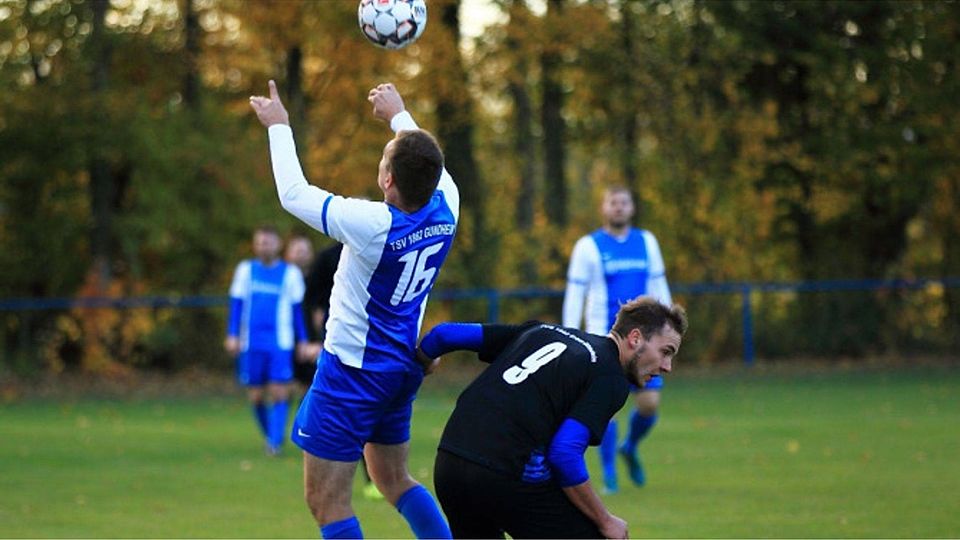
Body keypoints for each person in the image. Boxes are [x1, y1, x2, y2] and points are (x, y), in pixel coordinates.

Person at [250, 80, 458, 539]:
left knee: (327, 502)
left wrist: (279, 126)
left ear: (387, 180)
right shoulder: (448, 205)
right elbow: (430, 161)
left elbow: (294, 194)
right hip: (400, 367)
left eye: (384, 160)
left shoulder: (374, 224)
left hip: (351, 373)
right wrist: (399, 114)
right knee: (393, 479)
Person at [417, 296, 687, 539]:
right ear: (635, 338)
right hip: (504, 471)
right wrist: (605, 520)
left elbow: (443, 335)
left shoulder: (541, 331)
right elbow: (564, 453)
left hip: (450, 462)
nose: (667, 367)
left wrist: (424, 363)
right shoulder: (610, 375)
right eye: (665, 352)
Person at [562, 186, 674, 493]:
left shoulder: (647, 242)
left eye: (624, 202)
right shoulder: (588, 246)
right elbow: (575, 295)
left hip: (646, 341)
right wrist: (571, 334)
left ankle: (630, 447)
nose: (619, 207)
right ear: (604, 208)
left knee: (649, 405)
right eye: (613, 202)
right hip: (606, 340)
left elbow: (659, 287)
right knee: (607, 408)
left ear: (632, 207)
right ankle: (609, 474)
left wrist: (668, 331)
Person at [225, 225, 309, 456]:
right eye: (260, 242)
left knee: (279, 391)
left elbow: (297, 311)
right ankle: (271, 435)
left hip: (279, 342)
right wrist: (232, 334)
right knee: (255, 396)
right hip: (250, 342)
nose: (264, 247)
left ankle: (274, 442)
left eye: (268, 242)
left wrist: (302, 339)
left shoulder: (290, 273)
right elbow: (237, 304)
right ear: (255, 245)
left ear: (278, 244)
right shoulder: (245, 270)